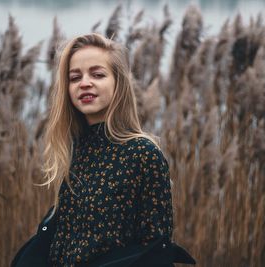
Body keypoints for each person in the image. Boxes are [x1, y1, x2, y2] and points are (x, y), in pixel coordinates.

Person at [11, 33, 195, 267]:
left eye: (97, 74)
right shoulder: (74, 150)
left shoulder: (142, 153)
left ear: (118, 83)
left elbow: (156, 249)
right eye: (74, 77)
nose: (84, 83)